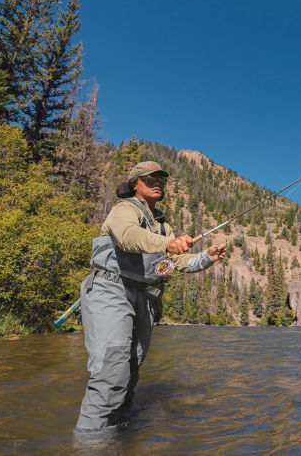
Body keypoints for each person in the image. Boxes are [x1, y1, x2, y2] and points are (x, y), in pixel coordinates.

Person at [75, 160, 227, 431]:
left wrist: (207, 257)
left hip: (144, 298)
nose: (158, 183)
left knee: (131, 371)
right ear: (135, 184)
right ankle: (91, 443)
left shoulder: (163, 226)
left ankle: (118, 433)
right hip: (110, 289)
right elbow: (128, 237)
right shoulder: (124, 209)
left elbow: (179, 263)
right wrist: (168, 243)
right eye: (150, 179)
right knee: (111, 372)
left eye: (161, 179)